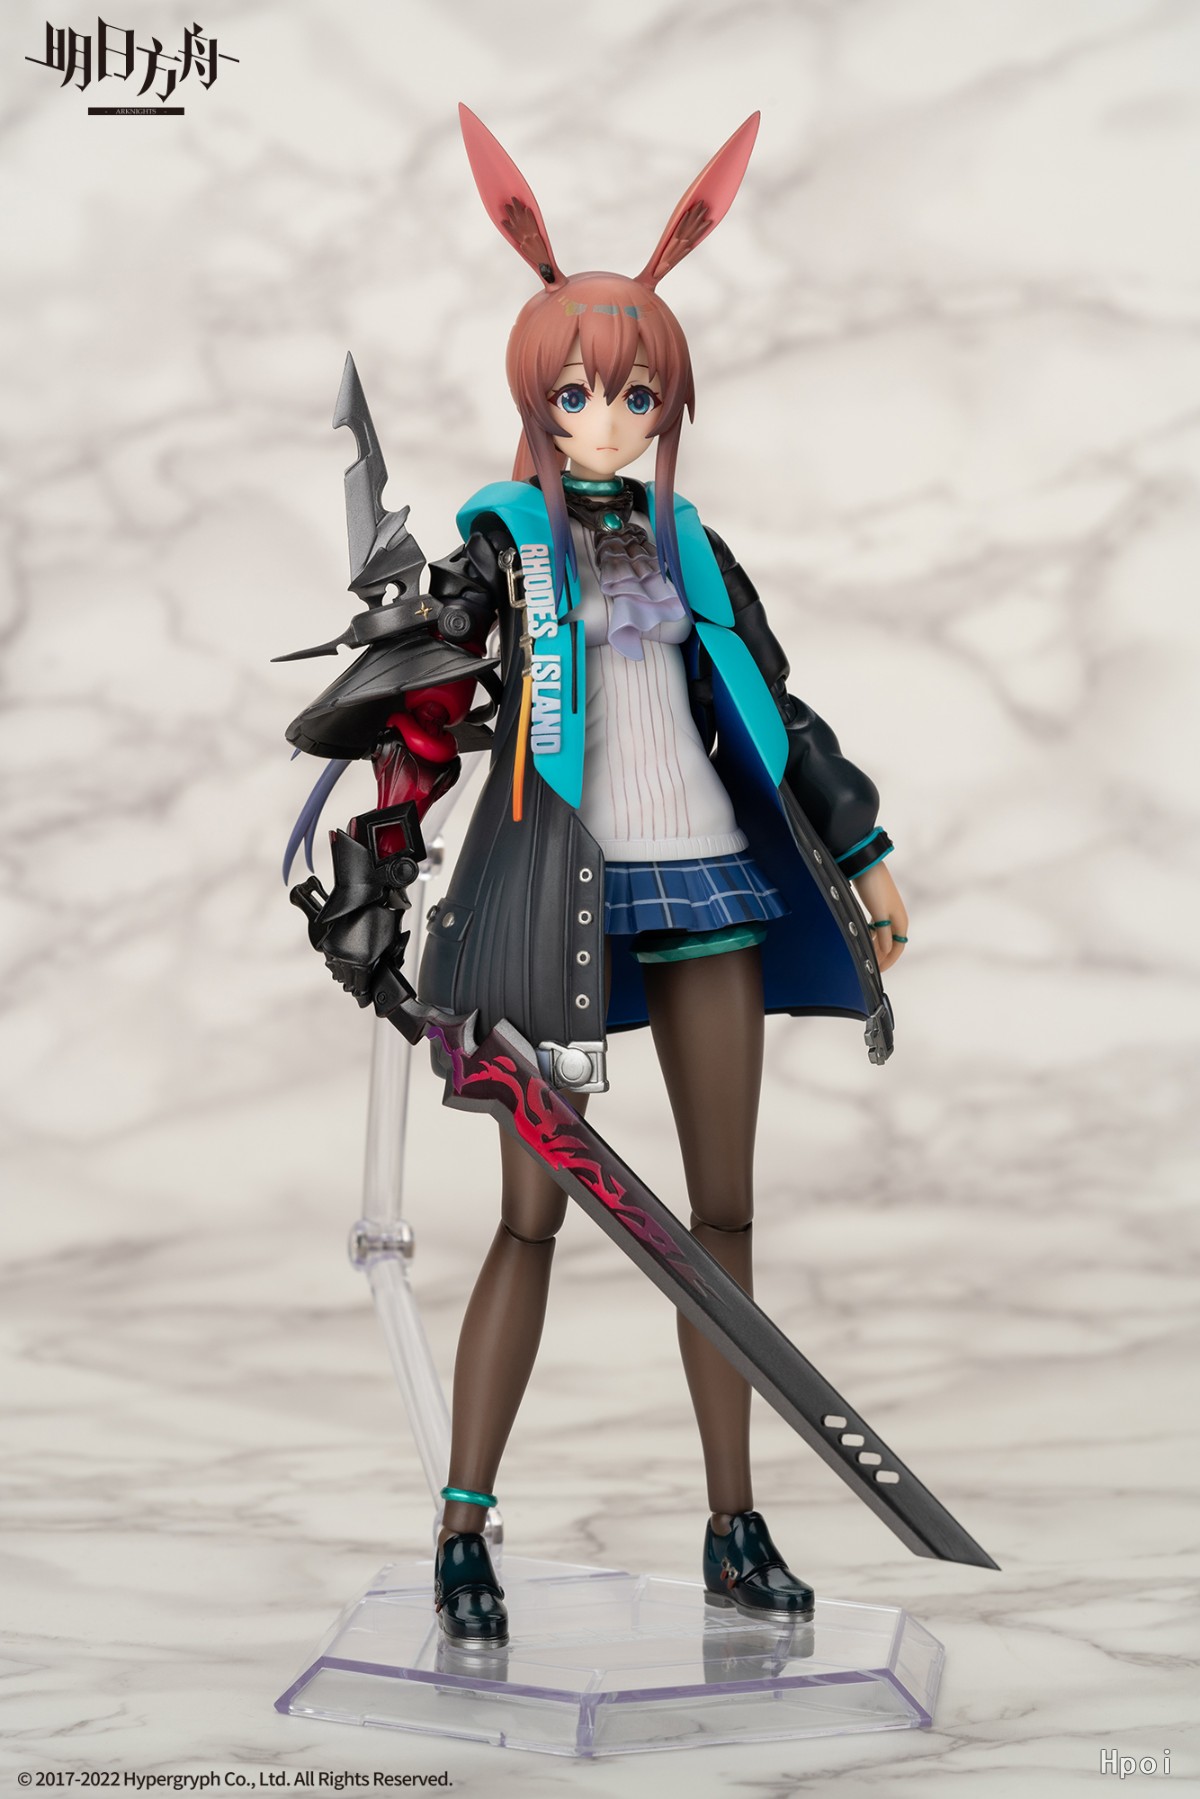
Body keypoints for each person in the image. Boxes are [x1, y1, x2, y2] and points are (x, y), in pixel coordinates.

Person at [286, 106, 908, 1650]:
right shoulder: (505, 549)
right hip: (545, 903)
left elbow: (775, 705)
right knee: (531, 1222)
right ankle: (463, 1527)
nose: (609, 419)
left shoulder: (692, 548)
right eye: (578, 395)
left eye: (636, 395)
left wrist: (863, 848)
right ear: (539, 403)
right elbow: (423, 725)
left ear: (668, 403)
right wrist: (378, 875)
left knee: (721, 1221)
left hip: (709, 888)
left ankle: (733, 1525)